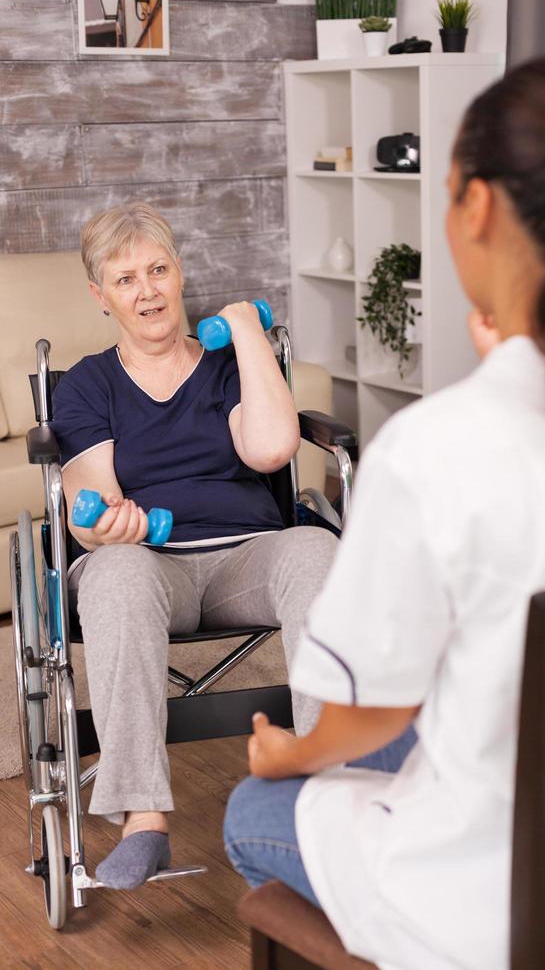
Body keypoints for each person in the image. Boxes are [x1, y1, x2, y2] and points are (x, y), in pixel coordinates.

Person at [223, 56, 545, 969]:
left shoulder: (437, 449)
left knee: (252, 807)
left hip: (492, 907)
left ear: (481, 209)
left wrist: (290, 756)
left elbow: (369, 714)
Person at [52, 202, 337, 889]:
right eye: (126, 279)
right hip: (151, 564)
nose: (147, 290)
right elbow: (87, 501)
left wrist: (246, 337)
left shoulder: (225, 363)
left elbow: (272, 449)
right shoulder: (89, 384)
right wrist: (107, 529)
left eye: (158, 269)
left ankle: (333, 789)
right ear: (100, 295)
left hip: (247, 557)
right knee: (113, 571)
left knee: (315, 549)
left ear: (180, 273)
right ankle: (143, 820)